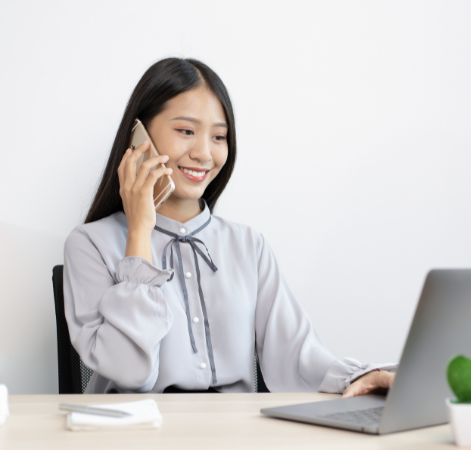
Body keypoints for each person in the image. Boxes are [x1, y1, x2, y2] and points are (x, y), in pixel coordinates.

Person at [64, 58, 395, 396]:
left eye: (219, 136)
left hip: (236, 431)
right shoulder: (89, 243)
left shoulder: (249, 245)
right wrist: (139, 232)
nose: (204, 153)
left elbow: (298, 355)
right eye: (186, 131)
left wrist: (360, 376)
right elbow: (129, 372)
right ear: (140, 138)